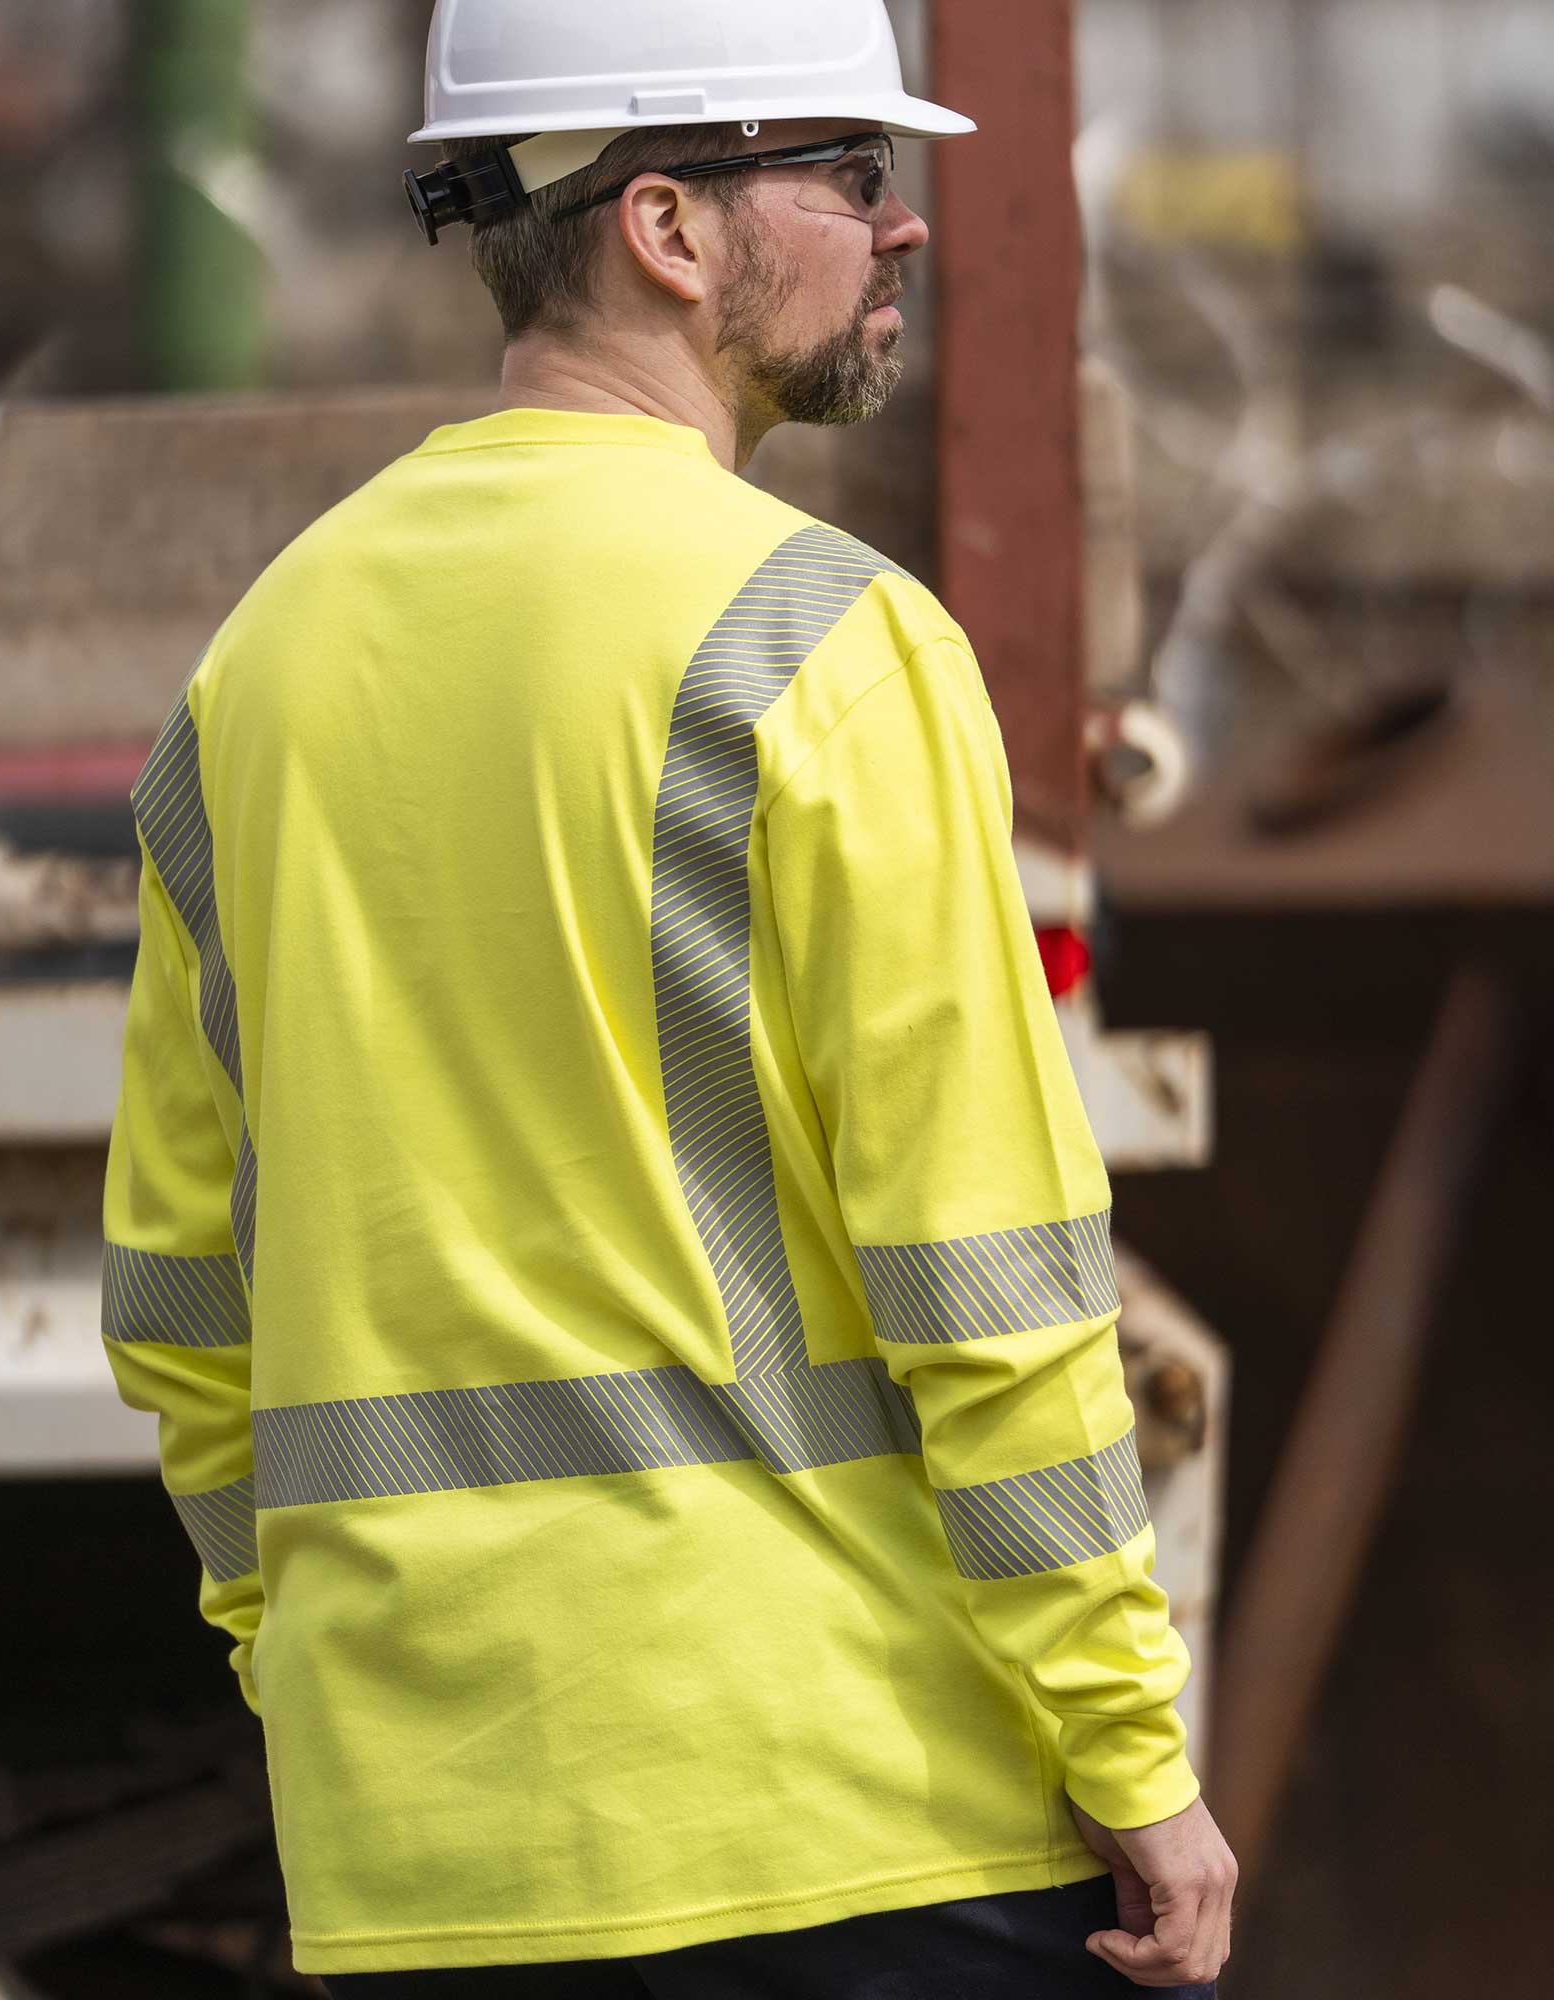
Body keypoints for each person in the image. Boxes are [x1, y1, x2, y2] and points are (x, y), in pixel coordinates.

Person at [100, 1, 1238, 1992]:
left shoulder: (254, 671)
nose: (896, 234)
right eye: (848, 176)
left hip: (423, 1862)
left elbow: (189, 1307)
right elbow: (989, 1284)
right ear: (667, 228)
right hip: (845, 1839)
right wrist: (1128, 1753)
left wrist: (312, 1680)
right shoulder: (826, 645)